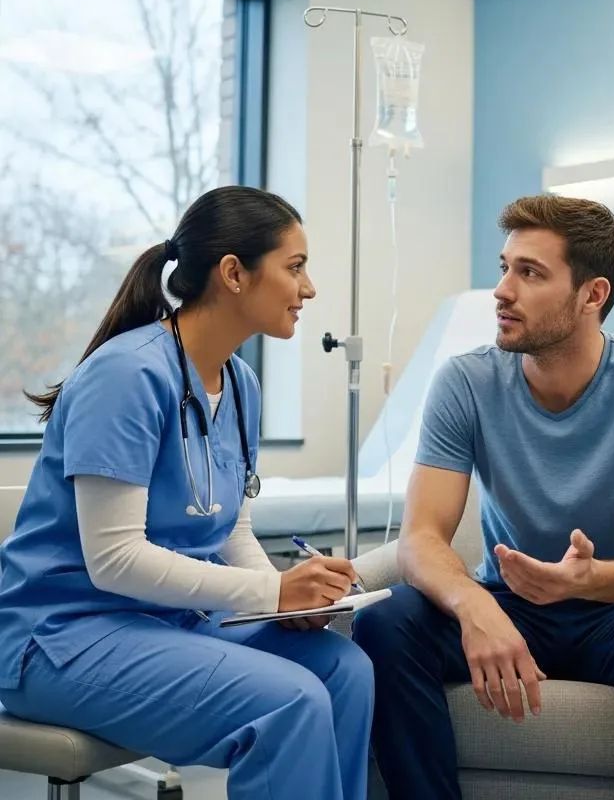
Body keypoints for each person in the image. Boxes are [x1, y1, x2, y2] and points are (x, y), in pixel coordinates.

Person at [0, 186, 373, 800]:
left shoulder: (241, 383)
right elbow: (115, 559)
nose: (310, 290)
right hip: (63, 636)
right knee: (290, 702)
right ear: (233, 273)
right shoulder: (126, 376)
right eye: (296, 267)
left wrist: (286, 602)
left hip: (168, 624)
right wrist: (272, 589)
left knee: (344, 672)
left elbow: (231, 532)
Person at [353, 194, 614, 800]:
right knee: (387, 621)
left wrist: (587, 580)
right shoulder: (466, 381)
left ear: (592, 295)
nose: (502, 290)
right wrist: (477, 609)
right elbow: (420, 538)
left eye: (530, 273)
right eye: (505, 267)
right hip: (509, 606)